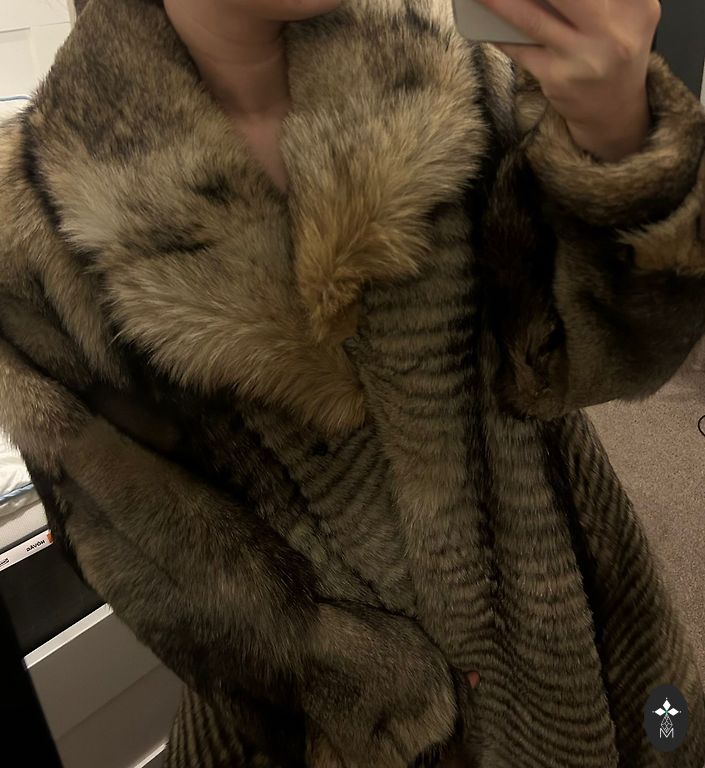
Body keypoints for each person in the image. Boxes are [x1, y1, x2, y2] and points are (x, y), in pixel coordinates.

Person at [1, 0, 704, 765]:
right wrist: (365, 691)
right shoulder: (34, 230)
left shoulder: (451, 74)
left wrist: (622, 151)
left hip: (584, 640)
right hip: (331, 730)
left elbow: (588, 365)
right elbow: (145, 548)